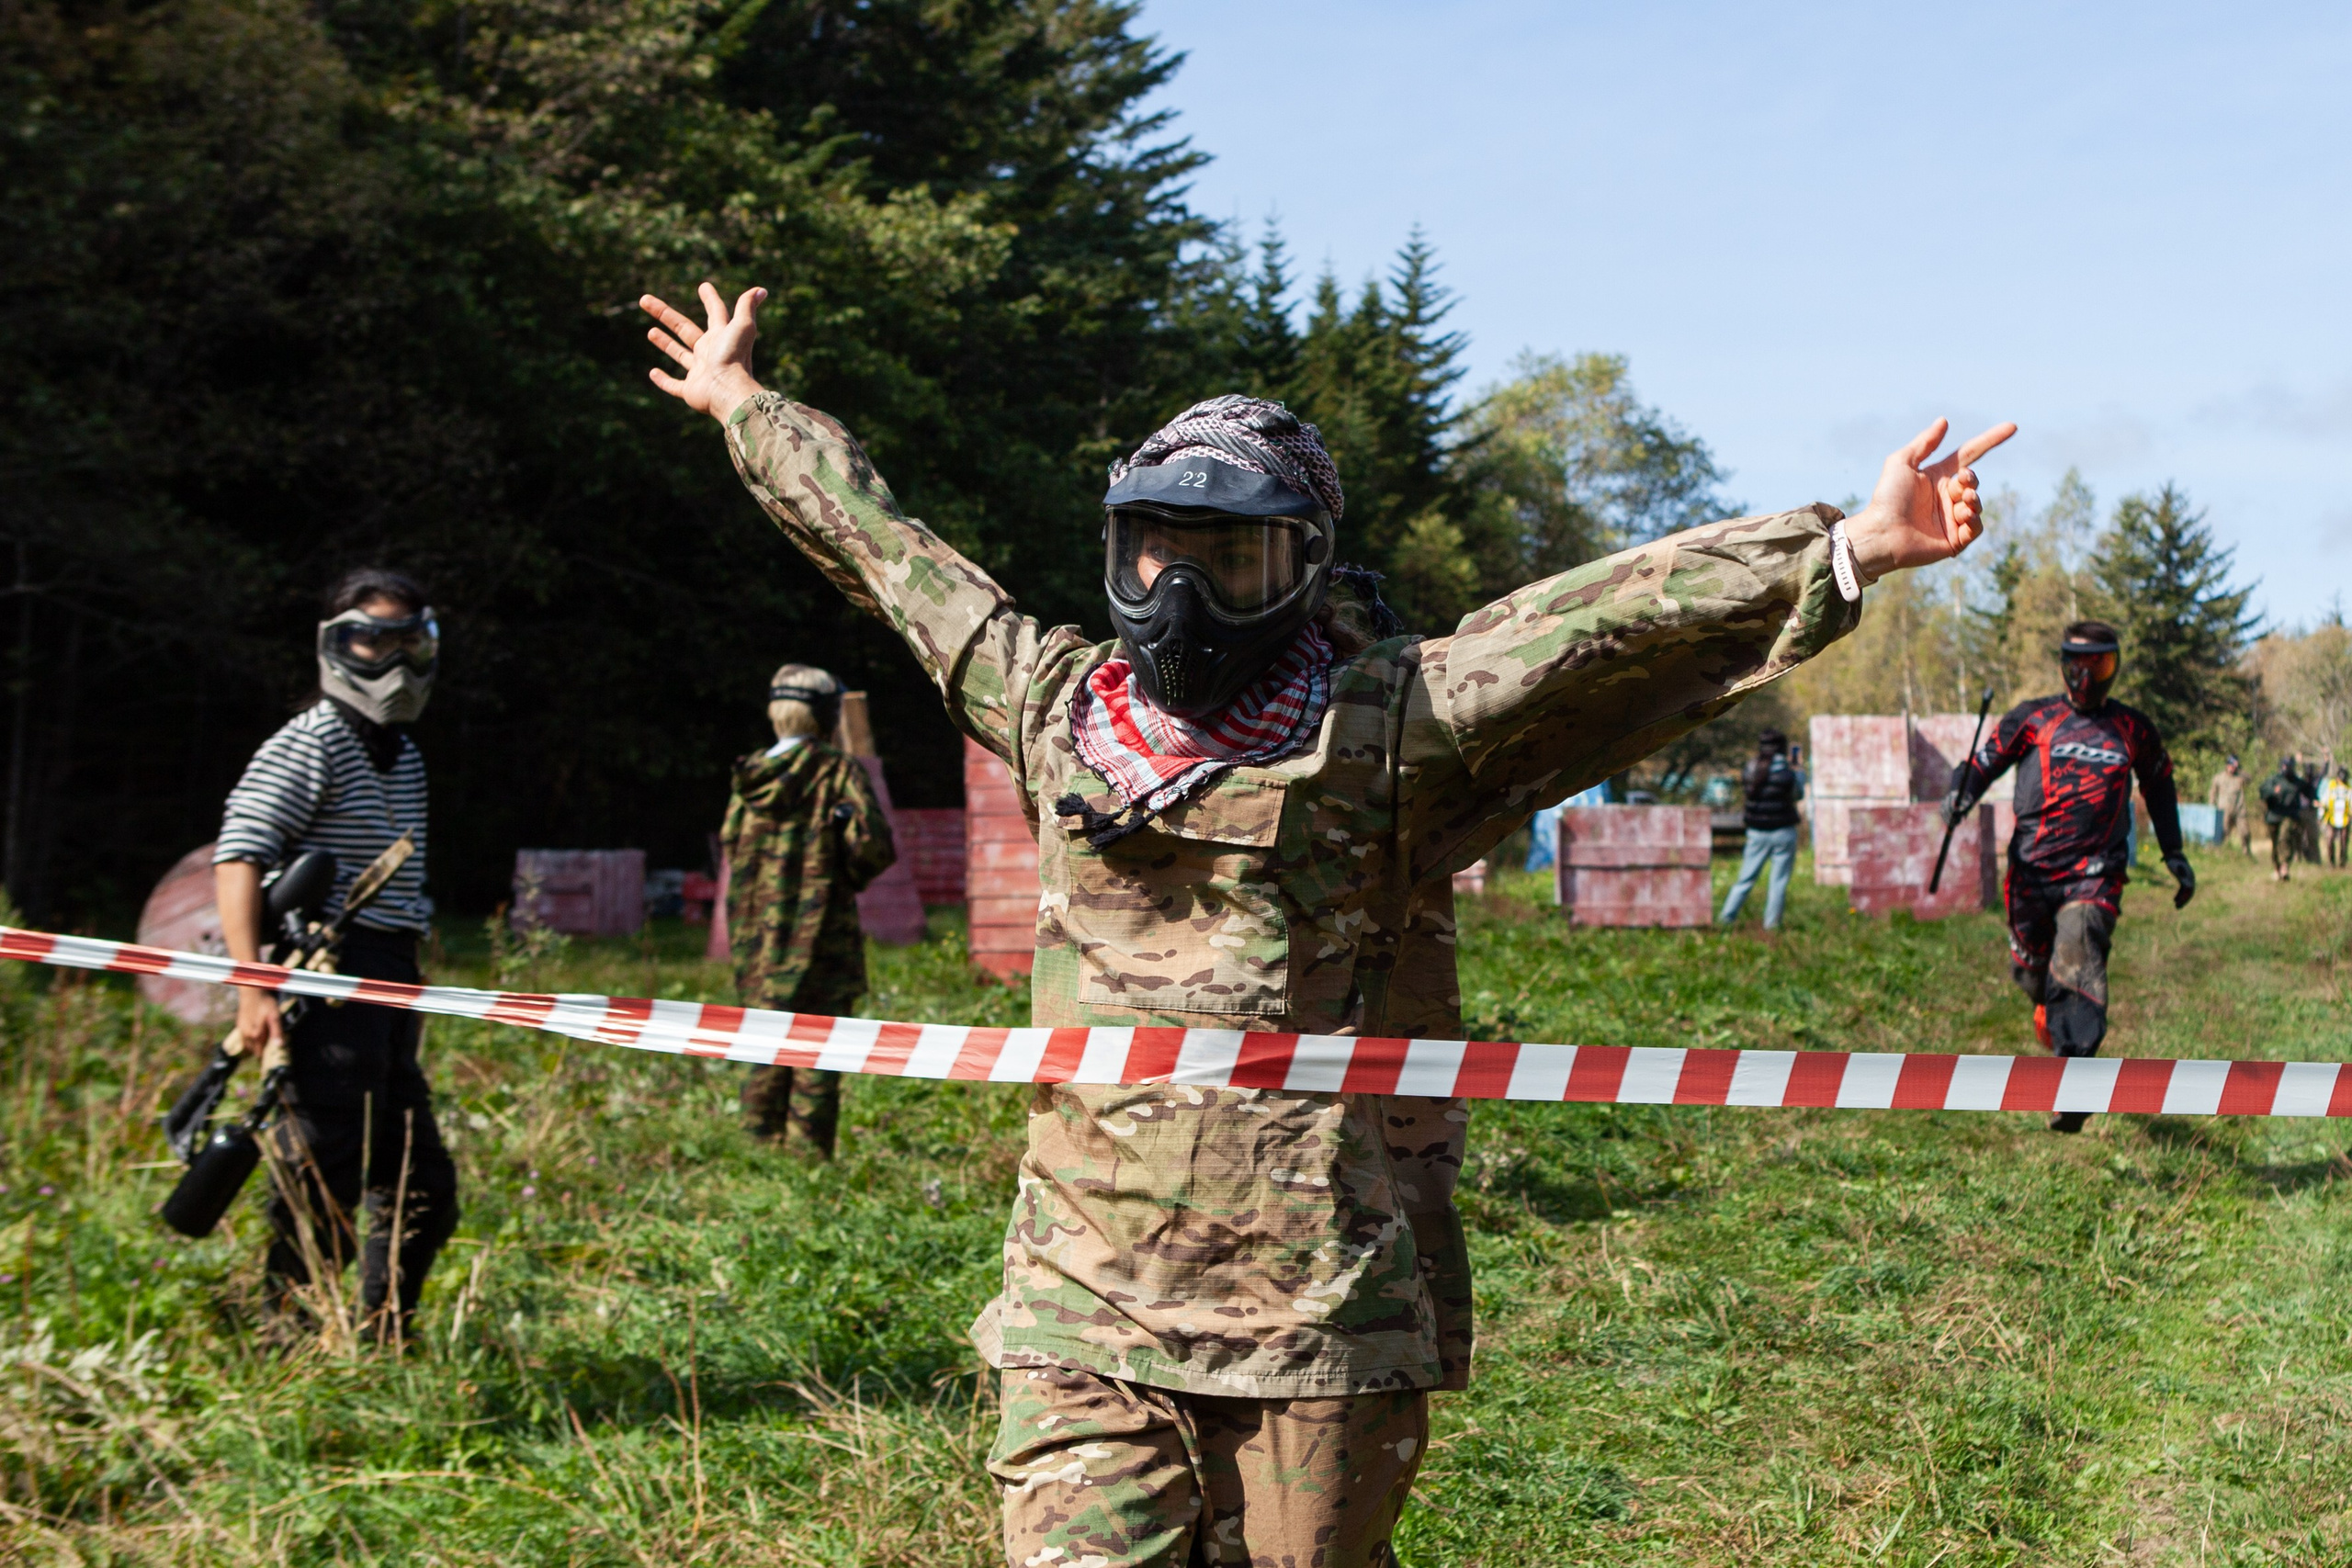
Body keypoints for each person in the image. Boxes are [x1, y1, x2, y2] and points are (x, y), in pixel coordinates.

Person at [641, 280, 2012, 1567]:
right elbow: (891, 555)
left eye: (1230, 561)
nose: (1181, 594)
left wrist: (1845, 550)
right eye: (1157, 552)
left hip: (1313, 1324)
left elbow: (1599, 627)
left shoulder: (1389, 725)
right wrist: (744, 406)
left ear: (1301, 566)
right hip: (1082, 1309)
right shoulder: (1054, 704)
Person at [213, 568, 458, 1342]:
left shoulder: (405, 754)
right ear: (336, 642)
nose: (392, 663)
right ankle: (285, 1338)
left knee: (423, 1186)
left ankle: (384, 1334)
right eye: (372, 640)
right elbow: (238, 857)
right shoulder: (308, 742)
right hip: (325, 985)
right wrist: (255, 993)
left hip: (390, 985)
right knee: (324, 1173)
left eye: (408, 642)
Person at [1944, 622, 2191, 1134]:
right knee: (2032, 974)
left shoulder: (2133, 728)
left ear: (2114, 666)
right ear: (2063, 665)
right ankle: (2047, 1009)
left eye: (2100, 664)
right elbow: (1981, 763)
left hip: (2095, 876)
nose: (2088, 676)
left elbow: (2161, 786)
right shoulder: (2033, 718)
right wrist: (1960, 792)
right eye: (2079, 665)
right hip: (2031, 874)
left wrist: (2175, 853)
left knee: (2079, 960)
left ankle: (2072, 1085)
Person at [718, 663, 897, 1155]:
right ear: (823, 714)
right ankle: (807, 1158)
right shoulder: (839, 771)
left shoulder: (750, 776)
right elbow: (875, 849)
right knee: (817, 1046)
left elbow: (732, 843)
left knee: (762, 1039)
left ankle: (758, 1149)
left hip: (755, 935)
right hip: (822, 933)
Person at [1719, 729, 1804, 931]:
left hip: (1756, 832)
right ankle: (1772, 926)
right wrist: (1799, 770)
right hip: (1783, 832)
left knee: (1745, 879)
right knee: (1778, 882)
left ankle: (1726, 919)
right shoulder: (1789, 772)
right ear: (1783, 749)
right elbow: (1798, 795)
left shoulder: (1751, 768)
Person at [2262, 756, 2315, 881]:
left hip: (2290, 816)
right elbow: (2263, 791)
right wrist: (2273, 792)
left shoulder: (2297, 782)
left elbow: (2310, 790)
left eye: (2289, 767)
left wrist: (2313, 799)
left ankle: (2285, 865)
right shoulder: (2274, 779)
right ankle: (2277, 868)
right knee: (2275, 845)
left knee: (2284, 838)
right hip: (2274, 816)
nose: (2287, 769)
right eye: (2285, 766)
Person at [2209, 755, 2253, 857]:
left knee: (2245, 832)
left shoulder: (2240, 778)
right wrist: (2212, 805)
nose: (2232, 768)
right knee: (2223, 833)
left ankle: (2246, 852)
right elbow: (2212, 793)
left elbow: (2250, 778)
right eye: (2231, 766)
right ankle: (2221, 853)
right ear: (2227, 765)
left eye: (2234, 766)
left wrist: (2239, 770)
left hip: (2239, 810)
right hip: (2224, 810)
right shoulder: (2219, 778)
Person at [2323, 763, 2351, 869]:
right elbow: (2325, 800)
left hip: (2345, 818)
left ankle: (2342, 862)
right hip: (2332, 817)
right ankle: (2331, 862)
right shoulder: (2331, 785)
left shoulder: (2349, 788)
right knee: (2329, 839)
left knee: (2344, 840)